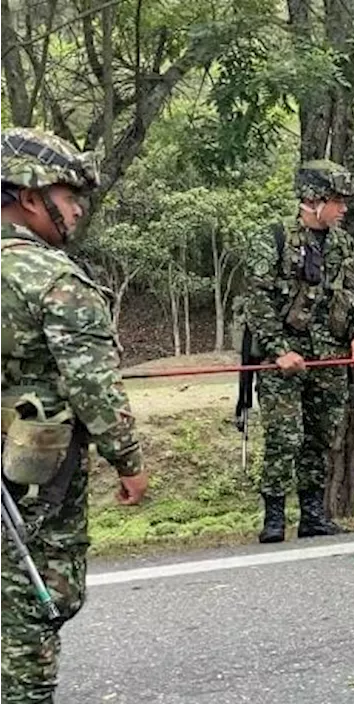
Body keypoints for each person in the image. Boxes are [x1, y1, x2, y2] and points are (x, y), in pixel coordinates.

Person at [0, 127, 149, 700]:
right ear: (31, 196)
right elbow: (94, 386)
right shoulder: (53, 280)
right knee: (34, 606)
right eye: (68, 196)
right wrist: (129, 461)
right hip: (33, 484)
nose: (78, 207)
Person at [242, 159, 354, 543]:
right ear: (314, 199)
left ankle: (314, 515)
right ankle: (274, 518)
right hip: (283, 360)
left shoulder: (347, 247)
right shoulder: (273, 239)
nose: (343, 208)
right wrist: (279, 349)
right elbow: (257, 301)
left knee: (320, 436)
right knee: (285, 437)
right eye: (337, 200)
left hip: (329, 357)